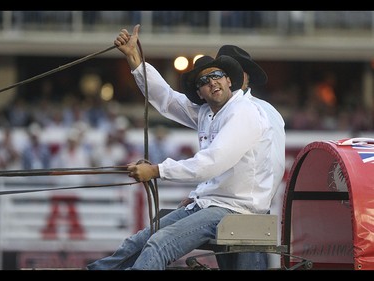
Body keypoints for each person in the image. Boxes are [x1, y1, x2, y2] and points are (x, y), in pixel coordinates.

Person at [86, 24, 274, 270]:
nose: (212, 82)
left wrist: (157, 171)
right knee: (137, 242)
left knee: (158, 244)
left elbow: (212, 162)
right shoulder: (207, 112)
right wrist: (134, 59)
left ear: (229, 80)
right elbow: (166, 98)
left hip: (236, 209)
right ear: (199, 91)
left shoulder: (245, 112)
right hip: (207, 204)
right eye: (204, 80)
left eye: (216, 75)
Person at [214, 45, 286, 270]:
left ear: (245, 77)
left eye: (232, 71)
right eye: (224, 72)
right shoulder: (221, 111)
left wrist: (257, 204)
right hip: (225, 207)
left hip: (248, 210)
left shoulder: (261, 110)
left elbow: (274, 164)